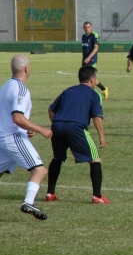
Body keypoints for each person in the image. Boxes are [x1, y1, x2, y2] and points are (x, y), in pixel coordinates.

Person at [45, 66, 109, 204]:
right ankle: (97, 196)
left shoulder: (68, 90)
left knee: (57, 158)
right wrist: (102, 137)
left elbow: (51, 110)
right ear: (92, 80)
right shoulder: (94, 94)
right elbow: (97, 117)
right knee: (95, 159)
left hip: (57, 125)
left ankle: (50, 193)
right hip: (76, 128)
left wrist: (57, 124)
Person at [0, 55, 52, 220]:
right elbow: (17, 118)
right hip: (12, 137)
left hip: (3, 136)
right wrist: (41, 129)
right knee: (40, 170)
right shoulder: (21, 89)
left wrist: (28, 129)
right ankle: (28, 202)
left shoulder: (6, 86)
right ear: (26, 69)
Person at [81, 21, 108, 100]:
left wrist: (89, 57)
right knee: (87, 78)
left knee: (89, 78)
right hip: (85, 60)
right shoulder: (83, 37)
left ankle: (91, 95)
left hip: (92, 59)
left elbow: (96, 48)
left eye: (88, 27)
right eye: (85, 27)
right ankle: (104, 89)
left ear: (91, 27)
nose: (87, 29)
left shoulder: (94, 35)